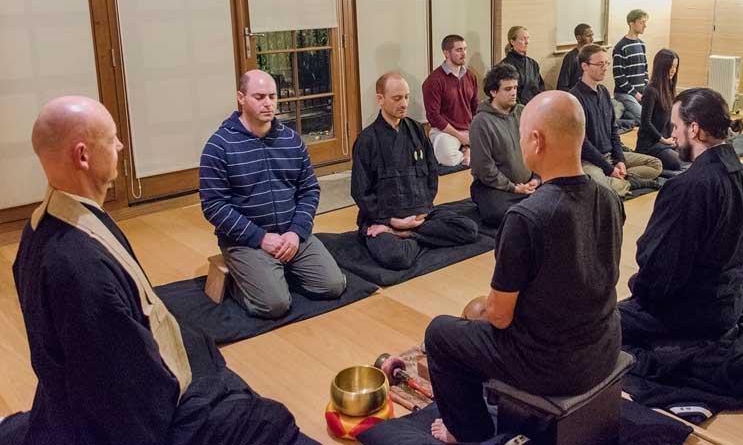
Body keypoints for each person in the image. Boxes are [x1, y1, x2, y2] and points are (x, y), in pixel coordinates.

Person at [9, 96, 304, 445]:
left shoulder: (46, 222)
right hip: (133, 415)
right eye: (112, 138)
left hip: (93, 387)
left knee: (205, 353)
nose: (119, 146)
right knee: (267, 421)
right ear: (83, 156)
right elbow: (122, 390)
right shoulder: (78, 266)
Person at [424, 90, 624, 443]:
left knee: (441, 333)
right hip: (604, 345)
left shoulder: (527, 216)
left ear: (535, 140)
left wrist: (479, 318)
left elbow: (500, 317)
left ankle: (469, 433)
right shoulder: (608, 197)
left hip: (552, 367)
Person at [199, 69, 346, 319]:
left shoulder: (291, 140)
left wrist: (296, 232)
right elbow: (214, 206)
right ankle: (246, 281)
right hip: (247, 240)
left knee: (333, 286)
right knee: (274, 305)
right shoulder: (219, 146)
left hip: (290, 234)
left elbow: (309, 189)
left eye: (272, 96)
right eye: (259, 97)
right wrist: (260, 238)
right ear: (241, 98)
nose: (268, 103)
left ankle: (276, 272)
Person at [619, 88, 743, 340]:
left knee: (594, 326)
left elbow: (660, 264)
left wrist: (641, 289)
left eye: (675, 126)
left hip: (692, 312)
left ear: (693, 129)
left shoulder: (688, 187)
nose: (672, 135)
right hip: (731, 301)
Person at [351, 72, 479, 270]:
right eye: (397, 98)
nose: (404, 104)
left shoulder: (417, 130)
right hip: (385, 218)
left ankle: (409, 236)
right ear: (380, 99)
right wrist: (390, 221)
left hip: (420, 216)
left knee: (469, 229)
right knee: (397, 257)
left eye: (406, 97)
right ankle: (402, 234)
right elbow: (361, 191)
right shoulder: (367, 140)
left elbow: (431, 174)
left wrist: (420, 215)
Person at [569, 44, 662, 196]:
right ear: (584, 66)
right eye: (600, 64)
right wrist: (609, 168)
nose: (605, 68)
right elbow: (582, 144)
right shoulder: (574, 98)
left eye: (606, 63)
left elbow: (613, 130)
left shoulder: (604, 92)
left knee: (655, 164)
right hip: (589, 160)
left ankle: (623, 181)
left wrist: (619, 160)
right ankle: (628, 182)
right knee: (600, 187)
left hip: (611, 155)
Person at [469, 63, 539, 226]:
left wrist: (537, 178)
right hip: (497, 188)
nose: (514, 92)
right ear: (493, 92)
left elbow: (538, 148)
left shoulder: (524, 112)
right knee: (500, 214)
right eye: (508, 89)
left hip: (529, 184)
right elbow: (484, 168)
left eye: (515, 87)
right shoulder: (481, 122)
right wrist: (513, 188)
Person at [422, 34, 480, 167]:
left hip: (467, 130)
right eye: (459, 50)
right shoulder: (433, 81)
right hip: (445, 132)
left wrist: (473, 131)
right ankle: (465, 153)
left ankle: (468, 150)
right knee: (447, 156)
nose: (464, 54)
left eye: (465, 49)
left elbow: (474, 107)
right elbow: (433, 117)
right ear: (446, 53)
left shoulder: (471, 76)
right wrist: (460, 137)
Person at [635, 49, 683, 171]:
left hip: (665, 141)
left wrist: (674, 138)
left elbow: (670, 120)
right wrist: (663, 140)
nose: (673, 70)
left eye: (675, 66)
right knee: (677, 162)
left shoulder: (669, 88)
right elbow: (645, 122)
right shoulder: (651, 91)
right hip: (651, 144)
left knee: (692, 152)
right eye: (671, 66)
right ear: (662, 67)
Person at [611, 9, 650, 127]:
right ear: (631, 24)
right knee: (644, 119)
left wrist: (645, 89)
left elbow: (645, 70)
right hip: (625, 93)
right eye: (642, 22)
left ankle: (625, 111)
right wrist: (635, 94)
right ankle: (622, 116)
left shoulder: (641, 44)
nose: (645, 25)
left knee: (653, 116)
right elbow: (619, 77)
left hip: (640, 92)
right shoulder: (621, 47)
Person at [499, 26, 545, 105]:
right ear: (512, 42)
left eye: (528, 38)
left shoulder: (533, 64)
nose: (527, 42)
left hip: (535, 107)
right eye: (523, 39)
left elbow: (540, 87)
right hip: (514, 109)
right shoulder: (504, 66)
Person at [556, 23, 593, 91]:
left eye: (592, 35)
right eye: (588, 36)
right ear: (578, 38)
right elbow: (562, 86)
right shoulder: (570, 58)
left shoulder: (591, 56)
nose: (592, 39)